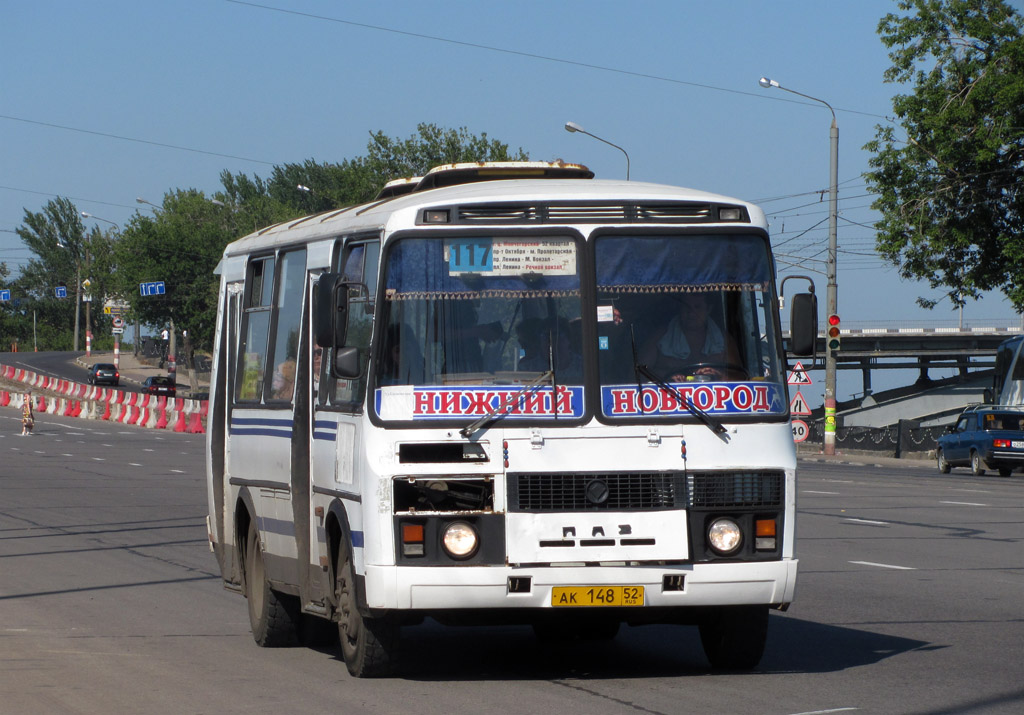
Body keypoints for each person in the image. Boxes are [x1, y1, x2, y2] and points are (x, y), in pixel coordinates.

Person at [640, 292, 743, 382]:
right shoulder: (660, 337)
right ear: (679, 308)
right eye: (686, 306)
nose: (690, 312)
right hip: (668, 398)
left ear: (709, 309)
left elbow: (740, 378)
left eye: (697, 307)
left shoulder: (724, 339)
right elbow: (638, 375)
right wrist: (665, 379)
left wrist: (719, 376)